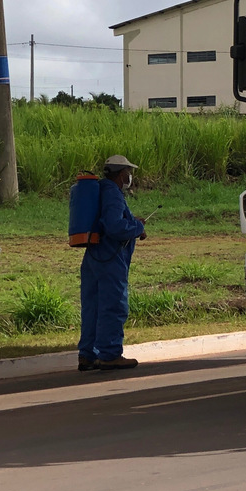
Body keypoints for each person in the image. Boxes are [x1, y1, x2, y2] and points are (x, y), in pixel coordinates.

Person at [77, 155, 147, 373]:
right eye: (128, 173)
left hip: (93, 258)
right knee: (113, 306)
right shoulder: (113, 194)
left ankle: (87, 355)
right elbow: (115, 227)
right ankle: (110, 354)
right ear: (121, 174)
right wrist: (136, 227)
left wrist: (133, 224)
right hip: (110, 258)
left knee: (92, 308)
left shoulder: (99, 191)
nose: (129, 177)